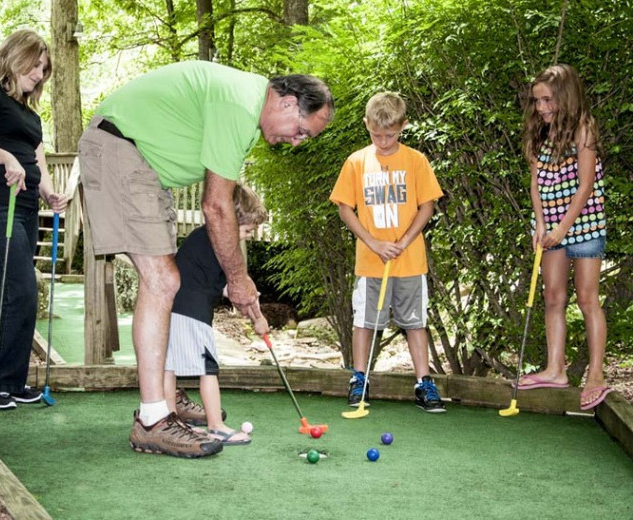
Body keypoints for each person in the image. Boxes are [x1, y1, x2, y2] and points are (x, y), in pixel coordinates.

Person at [78, 60, 334, 458]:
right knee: (163, 280)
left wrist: (238, 278)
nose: (298, 141)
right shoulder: (240, 104)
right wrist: (239, 279)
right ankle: (152, 419)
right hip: (121, 150)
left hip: (144, 165)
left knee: (165, 280)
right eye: (301, 131)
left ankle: (165, 399)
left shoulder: (246, 109)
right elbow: (217, 206)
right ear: (286, 103)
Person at [0, 30, 67, 410]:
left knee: (10, 290)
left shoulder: (31, 116)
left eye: (44, 69)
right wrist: (6, 158)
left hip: (23, 212)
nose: (40, 74)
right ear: (15, 56)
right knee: (20, 287)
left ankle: (8, 383)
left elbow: (37, 161)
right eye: (35, 64)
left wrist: (50, 193)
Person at [329, 92, 446, 413]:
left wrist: (405, 240)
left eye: (390, 135)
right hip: (370, 261)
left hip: (409, 261)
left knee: (415, 322)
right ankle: (359, 379)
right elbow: (344, 207)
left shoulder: (415, 160)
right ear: (366, 125)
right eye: (376, 134)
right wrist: (373, 242)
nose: (382, 140)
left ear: (403, 126)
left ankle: (424, 383)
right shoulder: (356, 162)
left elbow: (427, 205)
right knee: (365, 321)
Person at [518, 64, 608, 410]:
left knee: (587, 298)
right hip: (551, 226)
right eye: (537, 101)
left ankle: (597, 374)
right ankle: (556, 369)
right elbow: (536, 183)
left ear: (565, 97)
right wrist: (541, 224)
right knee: (552, 296)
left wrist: (561, 229)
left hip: (583, 225)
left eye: (547, 100)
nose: (541, 108)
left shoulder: (583, 129)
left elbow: (585, 187)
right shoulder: (540, 133)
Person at [164, 184, 269, 446]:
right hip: (192, 312)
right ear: (230, 221)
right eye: (246, 230)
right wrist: (258, 318)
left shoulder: (203, 238)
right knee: (207, 368)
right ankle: (216, 426)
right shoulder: (221, 243)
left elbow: (227, 286)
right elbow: (239, 290)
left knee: (169, 367)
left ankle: (169, 422)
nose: (246, 237)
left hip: (173, 308)